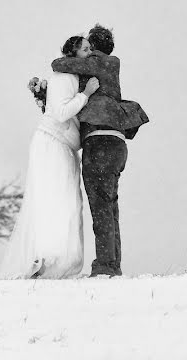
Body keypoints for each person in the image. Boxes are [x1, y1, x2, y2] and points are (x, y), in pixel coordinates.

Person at [51, 24, 149, 277]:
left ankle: (105, 266)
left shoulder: (98, 63)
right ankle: (112, 264)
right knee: (110, 205)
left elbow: (59, 64)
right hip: (117, 144)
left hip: (99, 143)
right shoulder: (112, 68)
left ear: (93, 48)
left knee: (101, 207)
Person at [0, 36, 101, 279]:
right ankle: (44, 259)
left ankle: (54, 262)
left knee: (66, 201)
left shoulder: (72, 78)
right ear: (73, 53)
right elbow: (61, 112)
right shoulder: (65, 77)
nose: (90, 53)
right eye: (85, 49)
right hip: (52, 145)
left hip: (63, 146)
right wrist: (86, 94)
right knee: (55, 199)